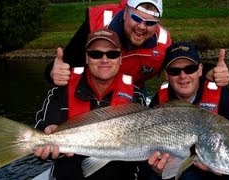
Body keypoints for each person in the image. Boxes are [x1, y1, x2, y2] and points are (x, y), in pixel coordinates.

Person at [34, 29, 152, 180]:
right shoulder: (62, 90)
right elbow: (41, 133)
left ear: (120, 59)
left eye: (112, 54)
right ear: (87, 58)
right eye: (96, 54)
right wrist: (45, 134)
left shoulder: (136, 97)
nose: (104, 60)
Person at [47, 0, 229, 92]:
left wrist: (209, 72)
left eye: (150, 23)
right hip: (92, 91)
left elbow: (182, 68)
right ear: (125, 13)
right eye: (136, 18)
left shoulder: (163, 41)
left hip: (131, 93)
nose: (142, 27)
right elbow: (63, 65)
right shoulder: (97, 23)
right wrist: (52, 72)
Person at [148, 42, 229, 180]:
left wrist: (218, 171)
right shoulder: (158, 100)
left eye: (190, 69)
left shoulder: (225, 98)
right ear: (166, 75)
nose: (183, 76)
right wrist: (157, 171)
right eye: (174, 71)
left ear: (200, 70)